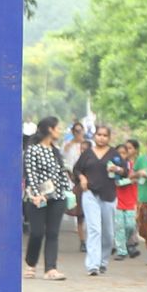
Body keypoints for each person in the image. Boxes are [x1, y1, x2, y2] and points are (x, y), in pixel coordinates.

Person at [23, 117, 69, 279]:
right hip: (37, 198)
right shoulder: (33, 150)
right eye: (58, 128)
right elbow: (30, 174)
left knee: (52, 233)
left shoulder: (56, 150)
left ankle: (50, 269)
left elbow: (61, 173)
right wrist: (37, 194)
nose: (60, 131)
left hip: (57, 196)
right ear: (50, 129)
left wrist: (68, 192)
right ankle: (30, 263)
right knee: (37, 232)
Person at [72, 125, 118, 276]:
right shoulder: (88, 153)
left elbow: (125, 171)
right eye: (99, 134)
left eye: (105, 135)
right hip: (90, 194)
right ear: (94, 136)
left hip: (108, 195)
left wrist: (117, 169)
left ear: (109, 138)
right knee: (94, 229)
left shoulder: (114, 154)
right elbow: (77, 169)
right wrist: (82, 178)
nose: (101, 138)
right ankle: (93, 265)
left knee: (108, 233)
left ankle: (103, 261)